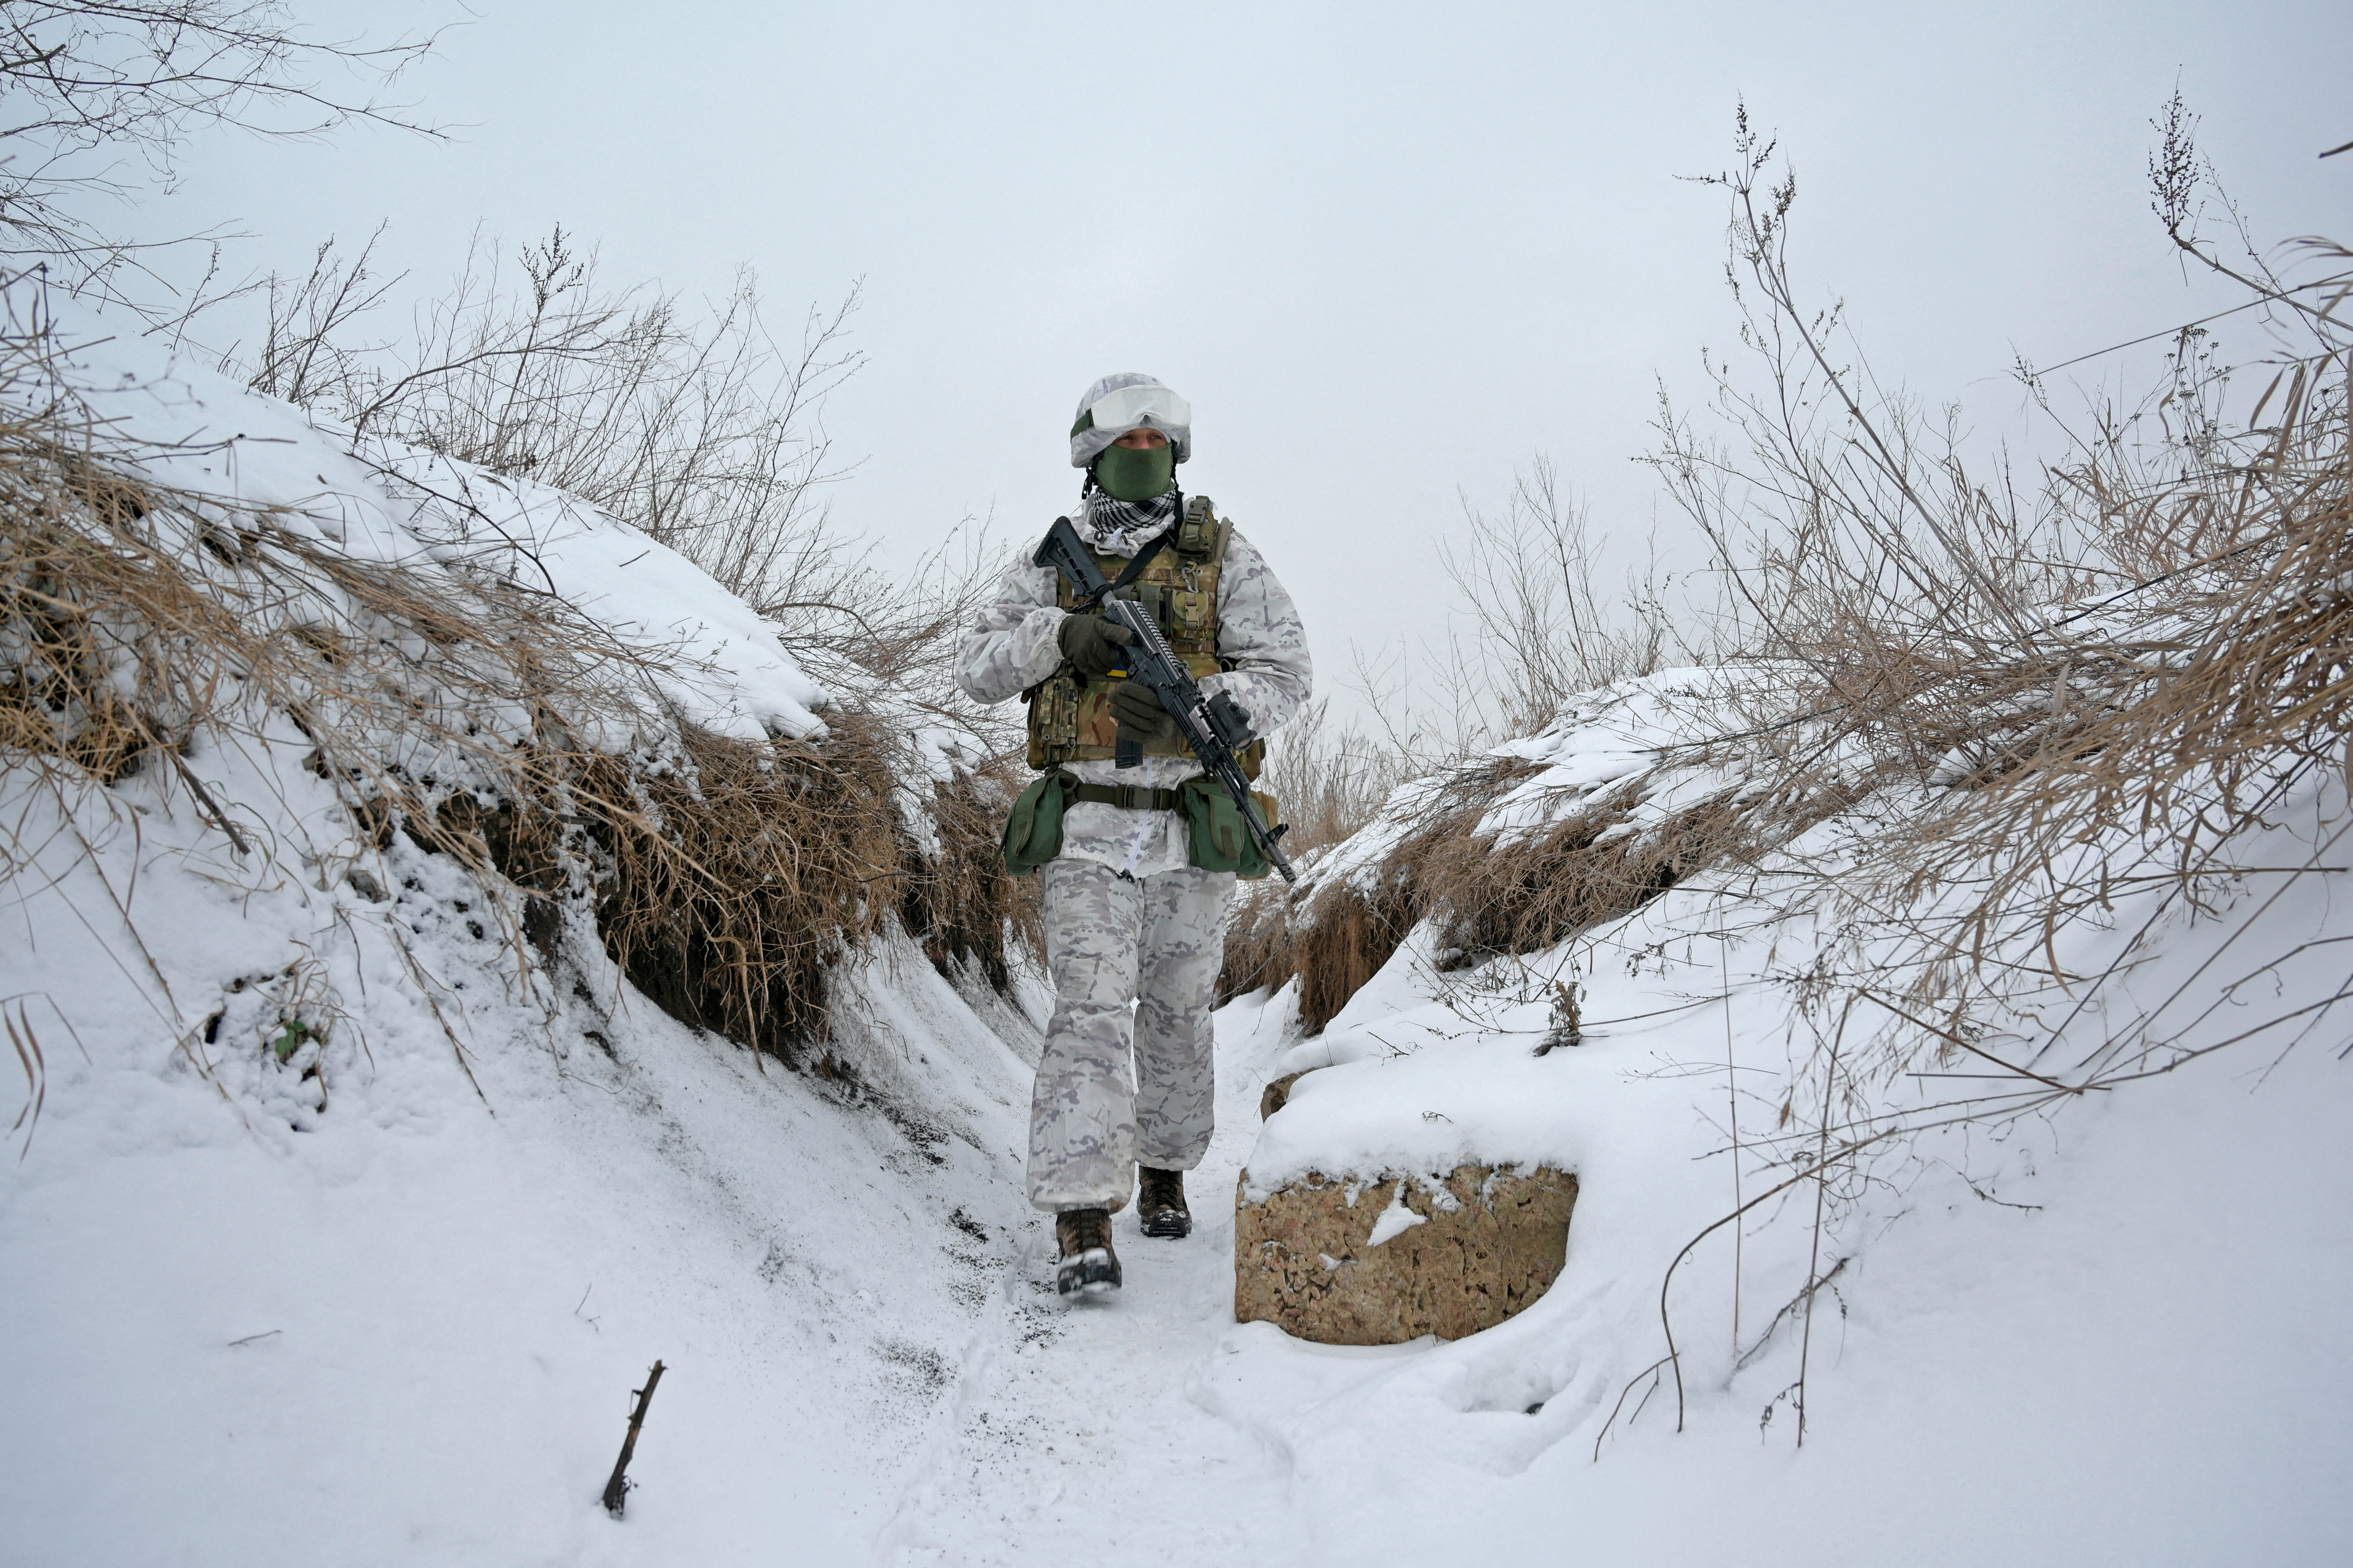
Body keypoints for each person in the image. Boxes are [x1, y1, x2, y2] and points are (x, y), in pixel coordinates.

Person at [956, 373, 1312, 1296]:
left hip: (1190, 832)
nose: (1146, 457)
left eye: (1161, 445)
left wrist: (1224, 712)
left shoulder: (1221, 556)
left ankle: (1164, 1167)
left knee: (1179, 1011)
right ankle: (1081, 1211)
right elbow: (976, 666)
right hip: (1087, 827)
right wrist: (1059, 638)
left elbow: (1286, 663)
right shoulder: (1049, 564)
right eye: (1131, 444)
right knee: (1088, 1012)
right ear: (1093, 454)